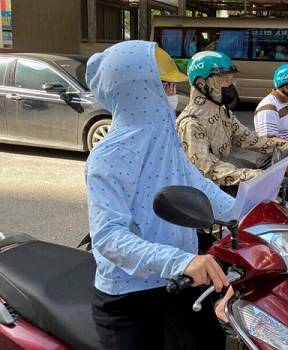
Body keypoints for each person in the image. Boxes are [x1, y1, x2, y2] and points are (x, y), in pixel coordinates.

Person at [85, 41, 235, 349]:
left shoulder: (165, 142)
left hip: (178, 282)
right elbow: (108, 238)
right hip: (129, 299)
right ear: (137, 91)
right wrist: (179, 262)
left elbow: (199, 187)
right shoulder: (107, 157)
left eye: (171, 84)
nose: (172, 93)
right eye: (164, 85)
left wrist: (249, 212)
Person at [176, 51, 288, 190]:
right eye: (225, 80)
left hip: (224, 183)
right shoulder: (191, 123)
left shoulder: (221, 111)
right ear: (202, 82)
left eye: (231, 80)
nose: (231, 86)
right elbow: (207, 169)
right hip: (207, 193)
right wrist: (256, 176)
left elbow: (247, 137)